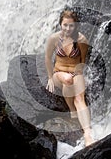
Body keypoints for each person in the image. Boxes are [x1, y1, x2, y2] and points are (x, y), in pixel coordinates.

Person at [45, 9, 94, 146]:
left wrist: (77, 75)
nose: (68, 28)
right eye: (65, 25)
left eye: (71, 25)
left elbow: (82, 61)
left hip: (75, 73)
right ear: (60, 24)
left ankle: (88, 134)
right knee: (67, 80)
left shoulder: (81, 40)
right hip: (58, 74)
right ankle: (72, 109)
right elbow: (48, 58)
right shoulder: (54, 38)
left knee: (80, 98)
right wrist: (50, 77)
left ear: (75, 25)